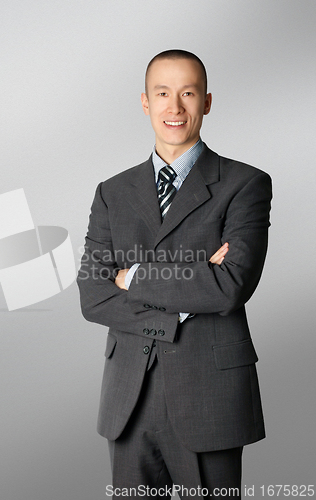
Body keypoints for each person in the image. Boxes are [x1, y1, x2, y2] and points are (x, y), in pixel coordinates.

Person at [77, 50, 272, 499]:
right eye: (162, 93)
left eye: (188, 93)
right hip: (129, 399)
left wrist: (134, 276)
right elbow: (93, 295)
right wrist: (186, 296)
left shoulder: (245, 184)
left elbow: (229, 286)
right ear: (145, 102)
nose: (175, 107)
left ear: (206, 102)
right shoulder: (112, 193)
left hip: (211, 395)